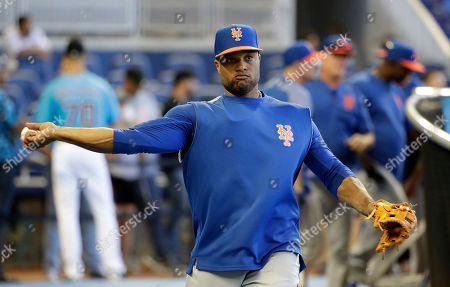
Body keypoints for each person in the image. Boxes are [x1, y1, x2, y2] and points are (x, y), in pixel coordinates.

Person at [23, 24, 383, 287]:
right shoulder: (194, 117)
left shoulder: (296, 118)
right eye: (231, 59)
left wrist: (374, 209)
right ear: (218, 65)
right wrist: (58, 132)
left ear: (258, 59)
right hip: (213, 259)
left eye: (247, 57)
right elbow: (127, 139)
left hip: (277, 253)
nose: (240, 65)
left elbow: (335, 173)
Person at [34, 38, 125, 281]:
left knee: (66, 212)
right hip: (94, 146)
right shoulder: (101, 85)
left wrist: (54, 156)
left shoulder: (54, 86)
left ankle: (73, 269)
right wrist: (108, 153)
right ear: (84, 58)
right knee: (104, 208)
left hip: (65, 148)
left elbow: (40, 130)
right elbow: (116, 124)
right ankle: (113, 266)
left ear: (65, 58)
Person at [348, 40, 425, 283]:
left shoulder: (395, 90)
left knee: (393, 220)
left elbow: (404, 128)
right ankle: (357, 262)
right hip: (371, 167)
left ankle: (371, 269)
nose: (409, 74)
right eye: (405, 68)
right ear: (389, 63)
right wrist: (364, 161)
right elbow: (353, 126)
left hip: (394, 170)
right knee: (394, 216)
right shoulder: (361, 85)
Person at [303, 35, 374, 287]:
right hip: (309, 177)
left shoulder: (351, 94)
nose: (342, 62)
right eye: (337, 56)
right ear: (323, 57)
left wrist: (364, 140)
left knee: (339, 246)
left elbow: (367, 132)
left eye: (345, 57)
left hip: (341, 178)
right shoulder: (307, 90)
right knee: (306, 245)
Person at [108, 66, 161, 271]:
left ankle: (129, 261)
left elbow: (155, 133)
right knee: (115, 217)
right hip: (116, 169)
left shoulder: (147, 102)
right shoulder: (117, 100)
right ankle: (115, 262)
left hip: (138, 170)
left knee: (130, 217)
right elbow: (110, 130)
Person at [160, 70, 198, 267]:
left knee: (195, 210)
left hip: (190, 167)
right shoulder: (171, 105)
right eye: (194, 81)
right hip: (174, 166)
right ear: (184, 81)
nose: (197, 86)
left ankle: (193, 255)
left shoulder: (191, 105)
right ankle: (172, 255)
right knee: (180, 208)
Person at [0, 54, 21, 282]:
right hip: (3, 161)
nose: (6, 74)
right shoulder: (3, 98)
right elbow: (14, 126)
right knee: (2, 214)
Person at [263, 40, 315, 109]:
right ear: (297, 64)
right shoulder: (299, 94)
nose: (314, 66)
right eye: (310, 63)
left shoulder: (270, 85)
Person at [3, 15, 52, 82]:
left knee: (45, 67)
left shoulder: (37, 32)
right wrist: (35, 50)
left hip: (37, 61)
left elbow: (46, 52)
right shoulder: (11, 34)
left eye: (30, 24)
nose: (29, 27)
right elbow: (17, 54)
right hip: (20, 63)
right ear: (20, 26)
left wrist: (29, 51)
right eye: (26, 24)